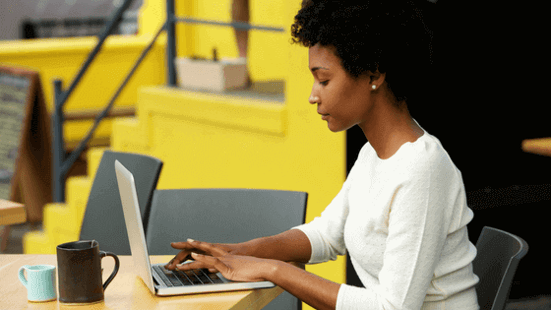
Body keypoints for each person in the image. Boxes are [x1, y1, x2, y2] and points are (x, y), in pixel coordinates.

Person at [165, 1, 480, 309]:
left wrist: (271, 269)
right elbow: (327, 236)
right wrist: (236, 252)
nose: (313, 96)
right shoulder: (373, 155)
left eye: (324, 79)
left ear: (373, 74)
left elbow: (391, 307)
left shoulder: (421, 169)